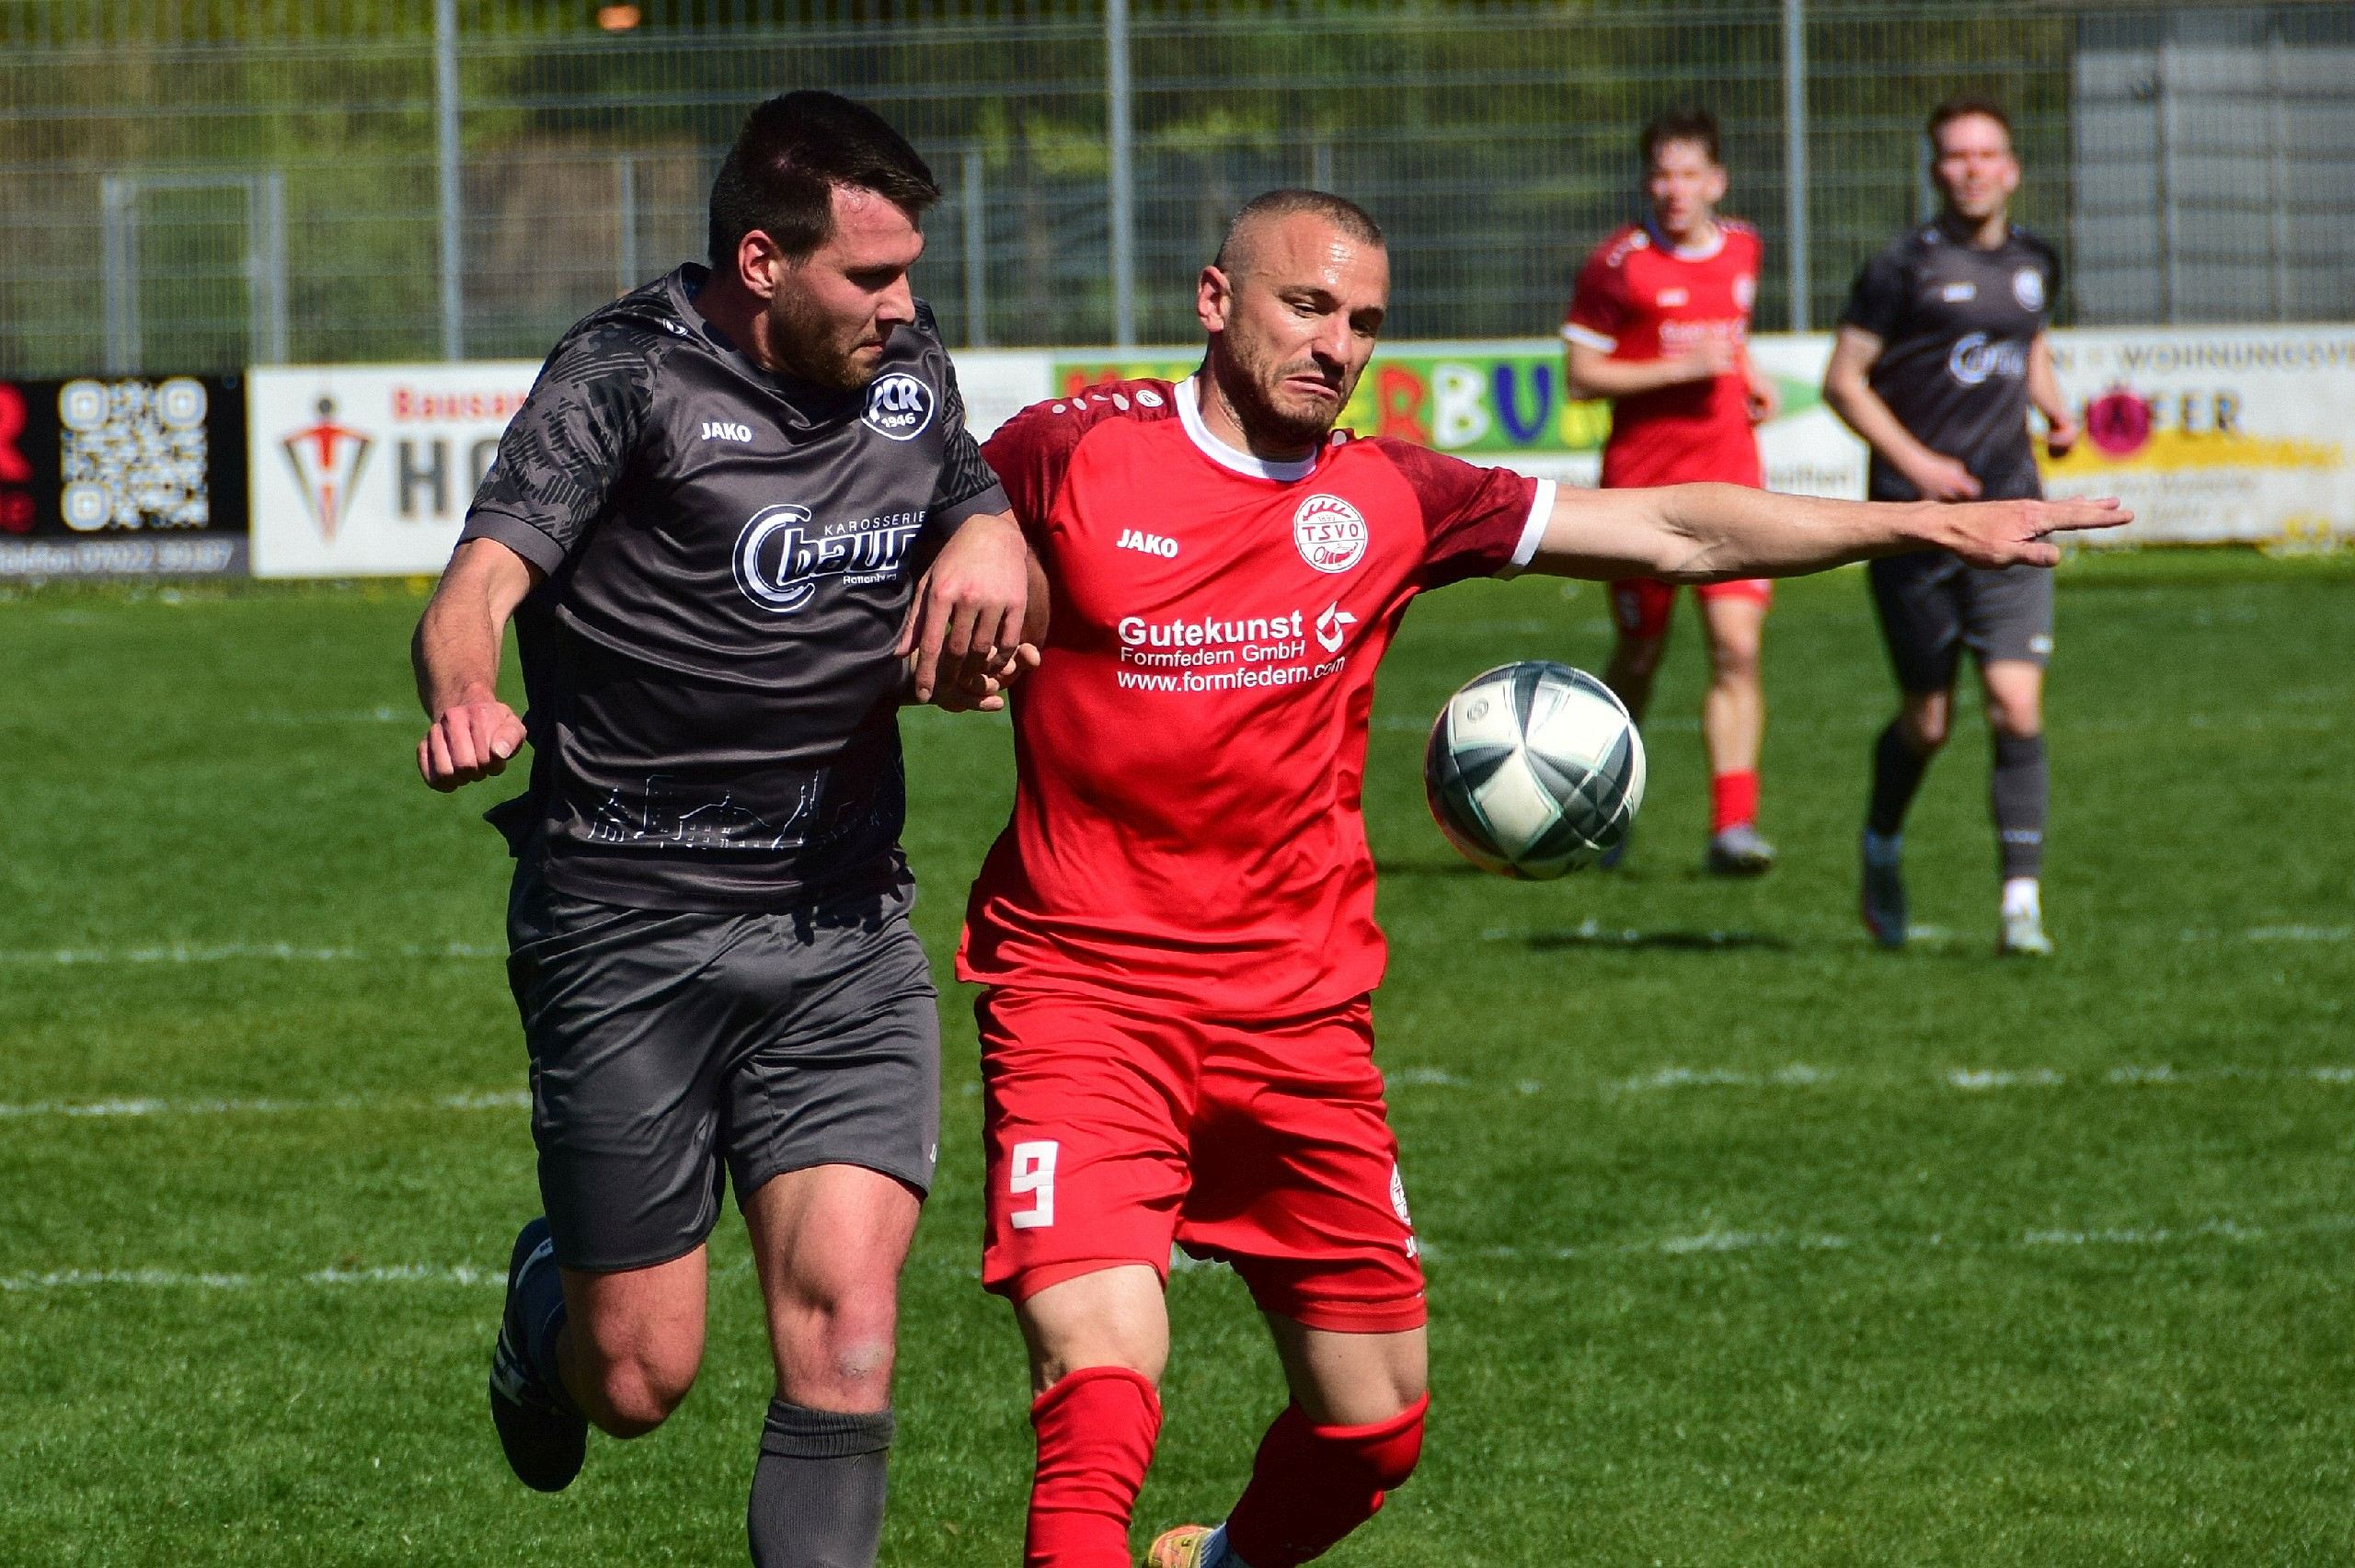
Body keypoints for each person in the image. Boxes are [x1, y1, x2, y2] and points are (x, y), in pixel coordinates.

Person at [959, 188, 2123, 1568]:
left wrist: (1924, 527)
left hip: (1299, 1021)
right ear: (1216, 301)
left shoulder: (1390, 493)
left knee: (1373, 1432)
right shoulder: (1064, 454)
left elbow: (1680, 529)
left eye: (1364, 322)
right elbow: (896, 525)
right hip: (1084, 996)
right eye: (1306, 305)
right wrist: (968, 560)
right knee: (1098, 1387)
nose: (1336, 345)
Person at [408, 90, 1030, 1568]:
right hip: (627, 920)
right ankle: (547, 1308)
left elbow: (972, 501)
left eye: (909, 272)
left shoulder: (906, 368)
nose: (904, 305)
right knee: (639, 1379)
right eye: (869, 275)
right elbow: (477, 582)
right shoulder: (623, 374)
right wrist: (464, 693)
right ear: (763, 262)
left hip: (842, 925)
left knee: (850, 1338)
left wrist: (991, 539)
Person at [1821, 95, 2081, 955]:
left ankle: (2020, 906)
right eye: (1957, 156)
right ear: (1937, 171)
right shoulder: (1901, 267)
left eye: (1987, 154)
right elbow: (1843, 380)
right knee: (1928, 722)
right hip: (1918, 522)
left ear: (2012, 168)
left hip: (2013, 509)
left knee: (2014, 703)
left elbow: (2027, 341)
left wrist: (2054, 409)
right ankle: (1881, 845)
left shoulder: (2037, 259)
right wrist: (1921, 465)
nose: (1973, 169)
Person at [1563, 106, 1785, 875]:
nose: (1674, 188)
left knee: (1736, 648)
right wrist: (1679, 369)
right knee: (1640, 656)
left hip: (1730, 480)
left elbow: (1730, 337)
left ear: (1716, 181)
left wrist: (1749, 376)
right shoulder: (1617, 264)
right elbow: (1582, 376)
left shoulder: (1745, 246)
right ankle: (1599, 805)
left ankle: (1733, 828)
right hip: (1642, 493)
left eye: (1689, 174)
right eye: (1661, 174)